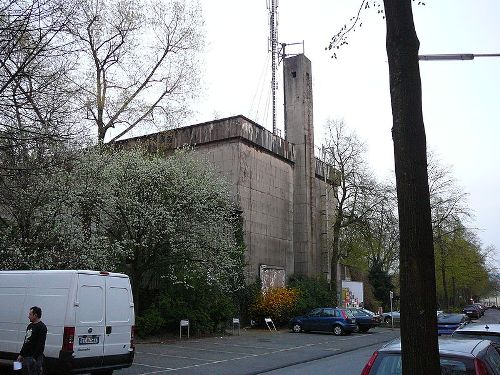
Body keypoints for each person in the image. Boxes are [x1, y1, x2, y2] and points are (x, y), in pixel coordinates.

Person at [17, 306, 47, 375]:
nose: (28, 316)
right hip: (25, 356)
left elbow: (41, 344)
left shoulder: (42, 327)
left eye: (30, 314)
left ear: (35, 315)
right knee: (19, 369)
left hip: (34, 358)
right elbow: (26, 341)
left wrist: (34, 358)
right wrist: (21, 354)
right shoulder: (30, 326)